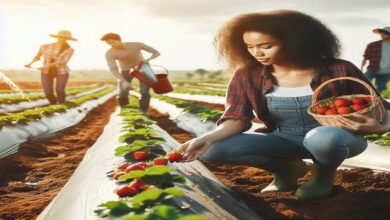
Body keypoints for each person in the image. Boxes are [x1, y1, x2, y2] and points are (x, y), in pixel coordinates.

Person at [178, 10, 390, 199]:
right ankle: (287, 169)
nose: (256, 53)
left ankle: (322, 176)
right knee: (213, 150)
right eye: (249, 47)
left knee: (323, 137)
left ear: (295, 42)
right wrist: (206, 138)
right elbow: (235, 117)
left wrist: (381, 127)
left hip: (336, 139)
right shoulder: (246, 75)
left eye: (266, 46)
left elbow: (381, 108)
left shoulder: (339, 69)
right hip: (283, 138)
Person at [101, 33, 160, 112]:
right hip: (126, 70)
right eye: (108, 43)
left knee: (144, 92)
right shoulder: (110, 53)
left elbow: (156, 52)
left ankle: (144, 113)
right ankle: (125, 112)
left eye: (112, 42)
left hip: (142, 68)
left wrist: (147, 60)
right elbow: (113, 69)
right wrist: (124, 81)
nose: (111, 45)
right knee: (122, 93)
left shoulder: (136, 45)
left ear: (119, 40)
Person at [25, 30, 76, 104]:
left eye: (65, 38)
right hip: (46, 71)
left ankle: (62, 104)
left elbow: (63, 62)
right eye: (61, 37)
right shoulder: (45, 46)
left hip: (62, 72)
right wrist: (30, 63)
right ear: (57, 37)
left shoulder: (70, 49)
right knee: (48, 92)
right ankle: (53, 104)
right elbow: (37, 56)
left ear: (67, 39)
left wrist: (46, 65)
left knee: (60, 90)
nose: (62, 39)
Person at [361, 27, 390, 93]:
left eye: (385, 33)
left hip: (386, 72)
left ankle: (374, 101)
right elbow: (365, 58)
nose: (382, 34)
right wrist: (361, 69)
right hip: (372, 69)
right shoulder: (373, 45)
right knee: (362, 83)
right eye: (381, 33)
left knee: (379, 89)